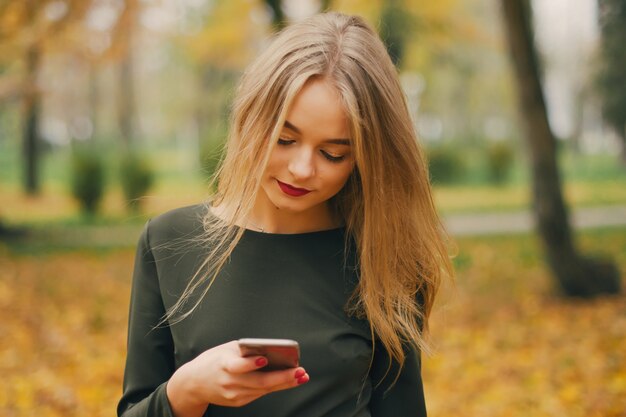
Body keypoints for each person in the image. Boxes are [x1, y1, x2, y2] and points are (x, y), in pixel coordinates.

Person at [117, 11, 453, 417]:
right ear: (251, 119)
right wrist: (188, 389)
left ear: (364, 159)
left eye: (333, 153)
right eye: (285, 138)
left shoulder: (383, 256)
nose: (302, 169)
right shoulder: (168, 241)